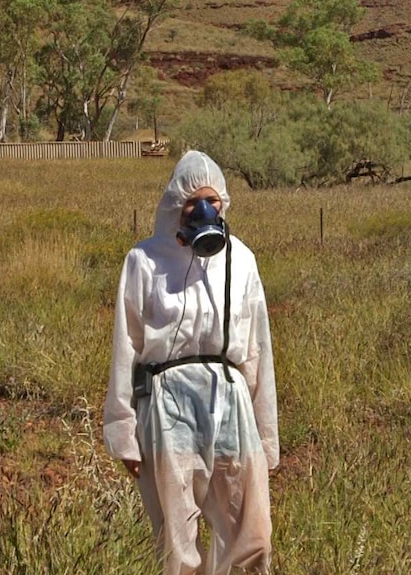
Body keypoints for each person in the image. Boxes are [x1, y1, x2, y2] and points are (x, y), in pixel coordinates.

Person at [103, 150, 279, 575]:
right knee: (176, 533)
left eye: (213, 201)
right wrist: (124, 431)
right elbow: (127, 345)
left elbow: (257, 348)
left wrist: (266, 434)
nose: (203, 209)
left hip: (230, 398)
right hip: (167, 402)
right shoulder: (144, 261)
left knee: (250, 528)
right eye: (192, 201)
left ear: (224, 204)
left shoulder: (241, 260)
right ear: (174, 205)